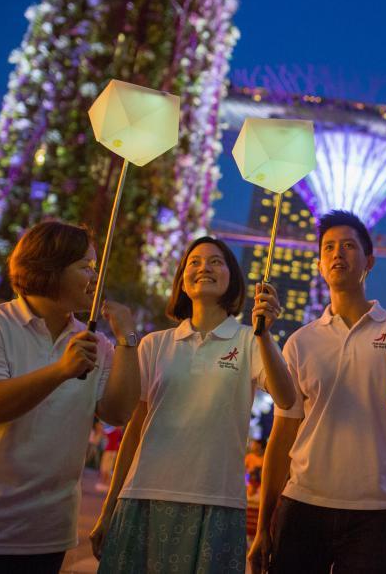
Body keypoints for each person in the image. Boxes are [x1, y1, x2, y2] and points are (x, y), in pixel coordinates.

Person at [0, 220, 140, 574]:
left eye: (95, 267)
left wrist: (127, 339)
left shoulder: (97, 344)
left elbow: (118, 412)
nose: (95, 278)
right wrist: (61, 370)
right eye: (85, 267)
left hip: (45, 537)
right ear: (48, 268)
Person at [248, 210, 386, 574]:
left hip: (379, 511)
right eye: (329, 247)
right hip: (304, 502)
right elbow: (282, 434)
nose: (338, 254)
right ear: (320, 264)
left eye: (349, 246)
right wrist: (263, 526)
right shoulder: (300, 342)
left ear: (368, 261)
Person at [91, 236, 295, 573]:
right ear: (183, 280)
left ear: (232, 279)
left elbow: (286, 398)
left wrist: (265, 334)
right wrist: (109, 507)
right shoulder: (154, 345)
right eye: (195, 262)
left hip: (217, 502)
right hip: (143, 496)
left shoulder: (249, 341)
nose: (205, 268)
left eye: (217, 262)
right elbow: (135, 430)